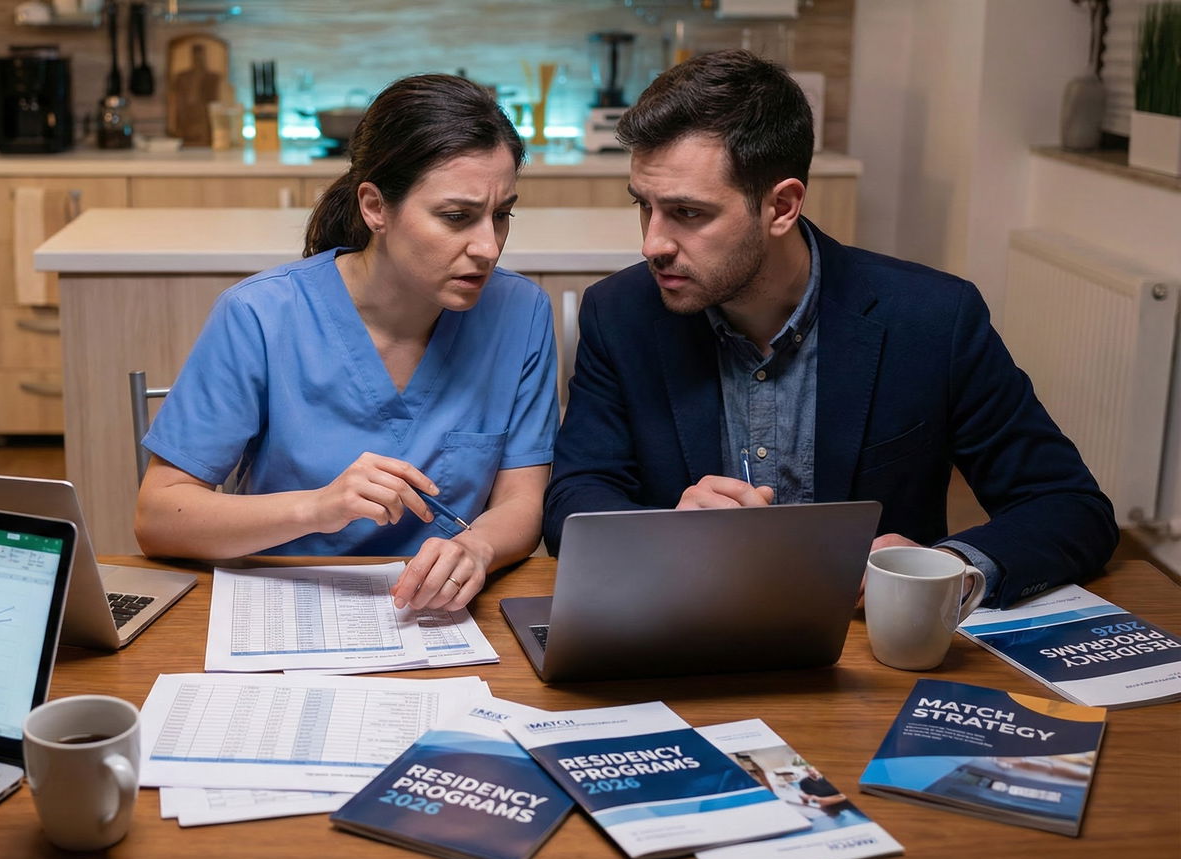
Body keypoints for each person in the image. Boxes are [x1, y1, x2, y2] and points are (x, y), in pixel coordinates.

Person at [542, 50, 1116, 609]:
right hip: (685, 631)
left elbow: (1068, 505)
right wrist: (667, 534)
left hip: (871, 659)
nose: (652, 244)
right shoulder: (619, 314)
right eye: (644, 206)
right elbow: (573, 501)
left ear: (782, 206)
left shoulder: (932, 319)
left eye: (689, 213)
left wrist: (953, 566)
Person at [137, 74, 557, 611]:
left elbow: (522, 501)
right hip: (282, 605)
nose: (488, 246)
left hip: (441, 617)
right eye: (457, 217)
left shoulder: (520, 313)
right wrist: (317, 507)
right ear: (375, 207)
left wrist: (477, 548)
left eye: (502, 216)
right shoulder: (261, 315)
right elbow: (158, 517)